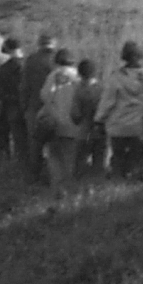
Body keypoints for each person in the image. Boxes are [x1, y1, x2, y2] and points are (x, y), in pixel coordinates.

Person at [96, 41, 143, 177]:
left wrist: (99, 120)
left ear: (124, 56)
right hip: (139, 126)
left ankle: (117, 183)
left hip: (118, 126)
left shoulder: (116, 77)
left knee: (118, 159)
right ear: (140, 55)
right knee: (136, 160)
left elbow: (107, 102)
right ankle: (133, 184)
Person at [38, 49, 84, 192]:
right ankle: (69, 188)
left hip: (54, 124)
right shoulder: (77, 77)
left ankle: (57, 187)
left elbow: (44, 96)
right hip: (73, 125)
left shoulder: (53, 76)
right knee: (70, 158)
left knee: (54, 157)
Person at [21, 32, 59, 181]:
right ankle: (54, 175)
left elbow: (24, 86)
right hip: (56, 106)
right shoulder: (58, 59)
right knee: (55, 142)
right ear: (53, 43)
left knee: (35, 142)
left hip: (34, 105)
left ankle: (35, 175)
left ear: (39, 43)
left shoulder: (31, 60)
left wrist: (24, 105)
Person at [0, 35, 29, 168]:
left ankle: (21, 169)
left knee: (19, 143)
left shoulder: (4, 69)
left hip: (13, 109)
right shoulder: (29, 65)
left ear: (7, 49)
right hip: (30, 109)